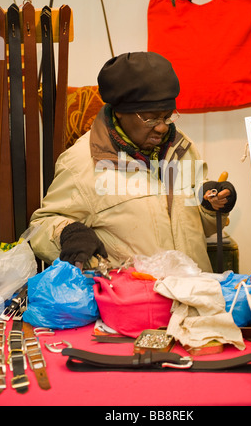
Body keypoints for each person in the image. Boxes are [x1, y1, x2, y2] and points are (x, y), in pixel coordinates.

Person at [29, 51, 236, 273]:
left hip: (196, 296)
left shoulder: (182, 148)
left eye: (167, 116)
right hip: (135, 302)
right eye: (151, 118)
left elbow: (195, 227)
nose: (162, 127)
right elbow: (41, 227)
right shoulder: (82, 163)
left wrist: (210, 205)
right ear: (119, 113)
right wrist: (67, 233)